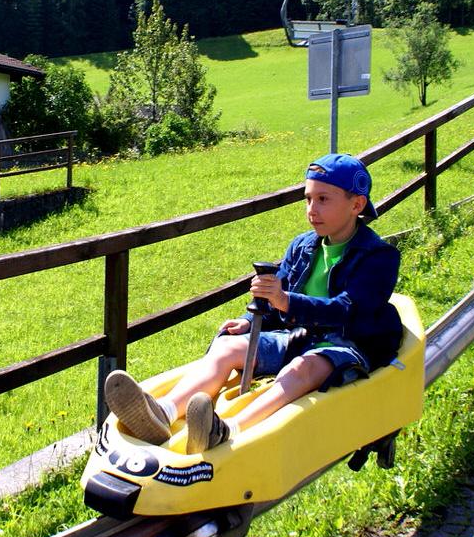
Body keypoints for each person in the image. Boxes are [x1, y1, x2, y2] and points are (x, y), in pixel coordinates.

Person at [104, 153, 403, 454]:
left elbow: (347, 310)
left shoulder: (379, 257)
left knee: (302, 368)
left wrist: (286, 300)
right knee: (226, 348)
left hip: (347, 341)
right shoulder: (302, 246)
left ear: (356, 205)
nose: (312, 209)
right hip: (300, 336)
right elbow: (277, 307)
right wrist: (249, 321)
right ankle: (161, 413)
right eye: (308, 199)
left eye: (323, 199)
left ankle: (227, 430)